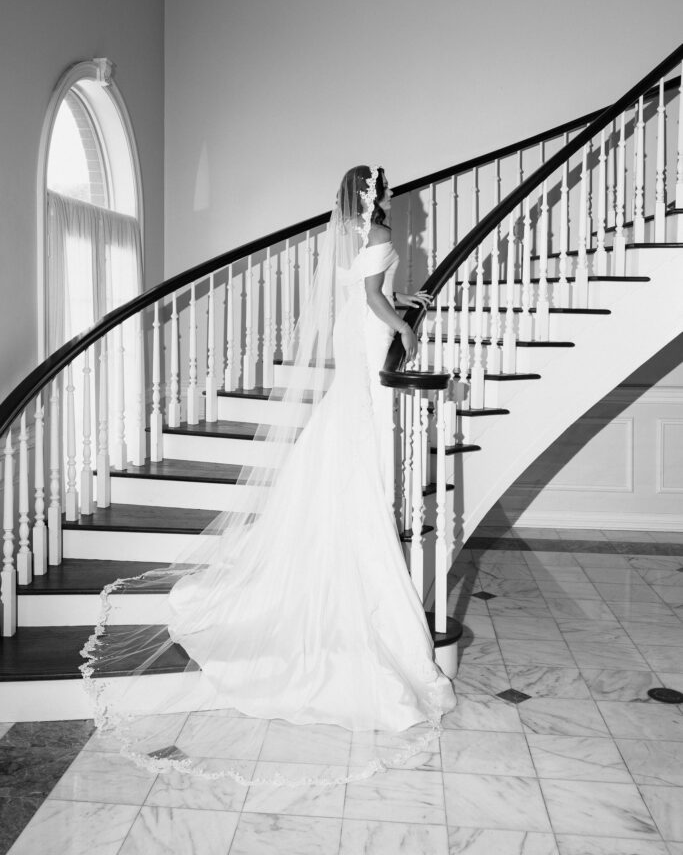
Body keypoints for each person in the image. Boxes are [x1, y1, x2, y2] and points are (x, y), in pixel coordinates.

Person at [81, 165, 457, 789]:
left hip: (356, 331)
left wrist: (402, 301)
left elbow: (368, 287)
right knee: (355, 435)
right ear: (372, 195)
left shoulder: (352, 229)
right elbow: (370, 298)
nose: (388, 194)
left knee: (347, 433)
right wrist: (403, 325)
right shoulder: (377, 227)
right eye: (383, 187)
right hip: (365, 330)